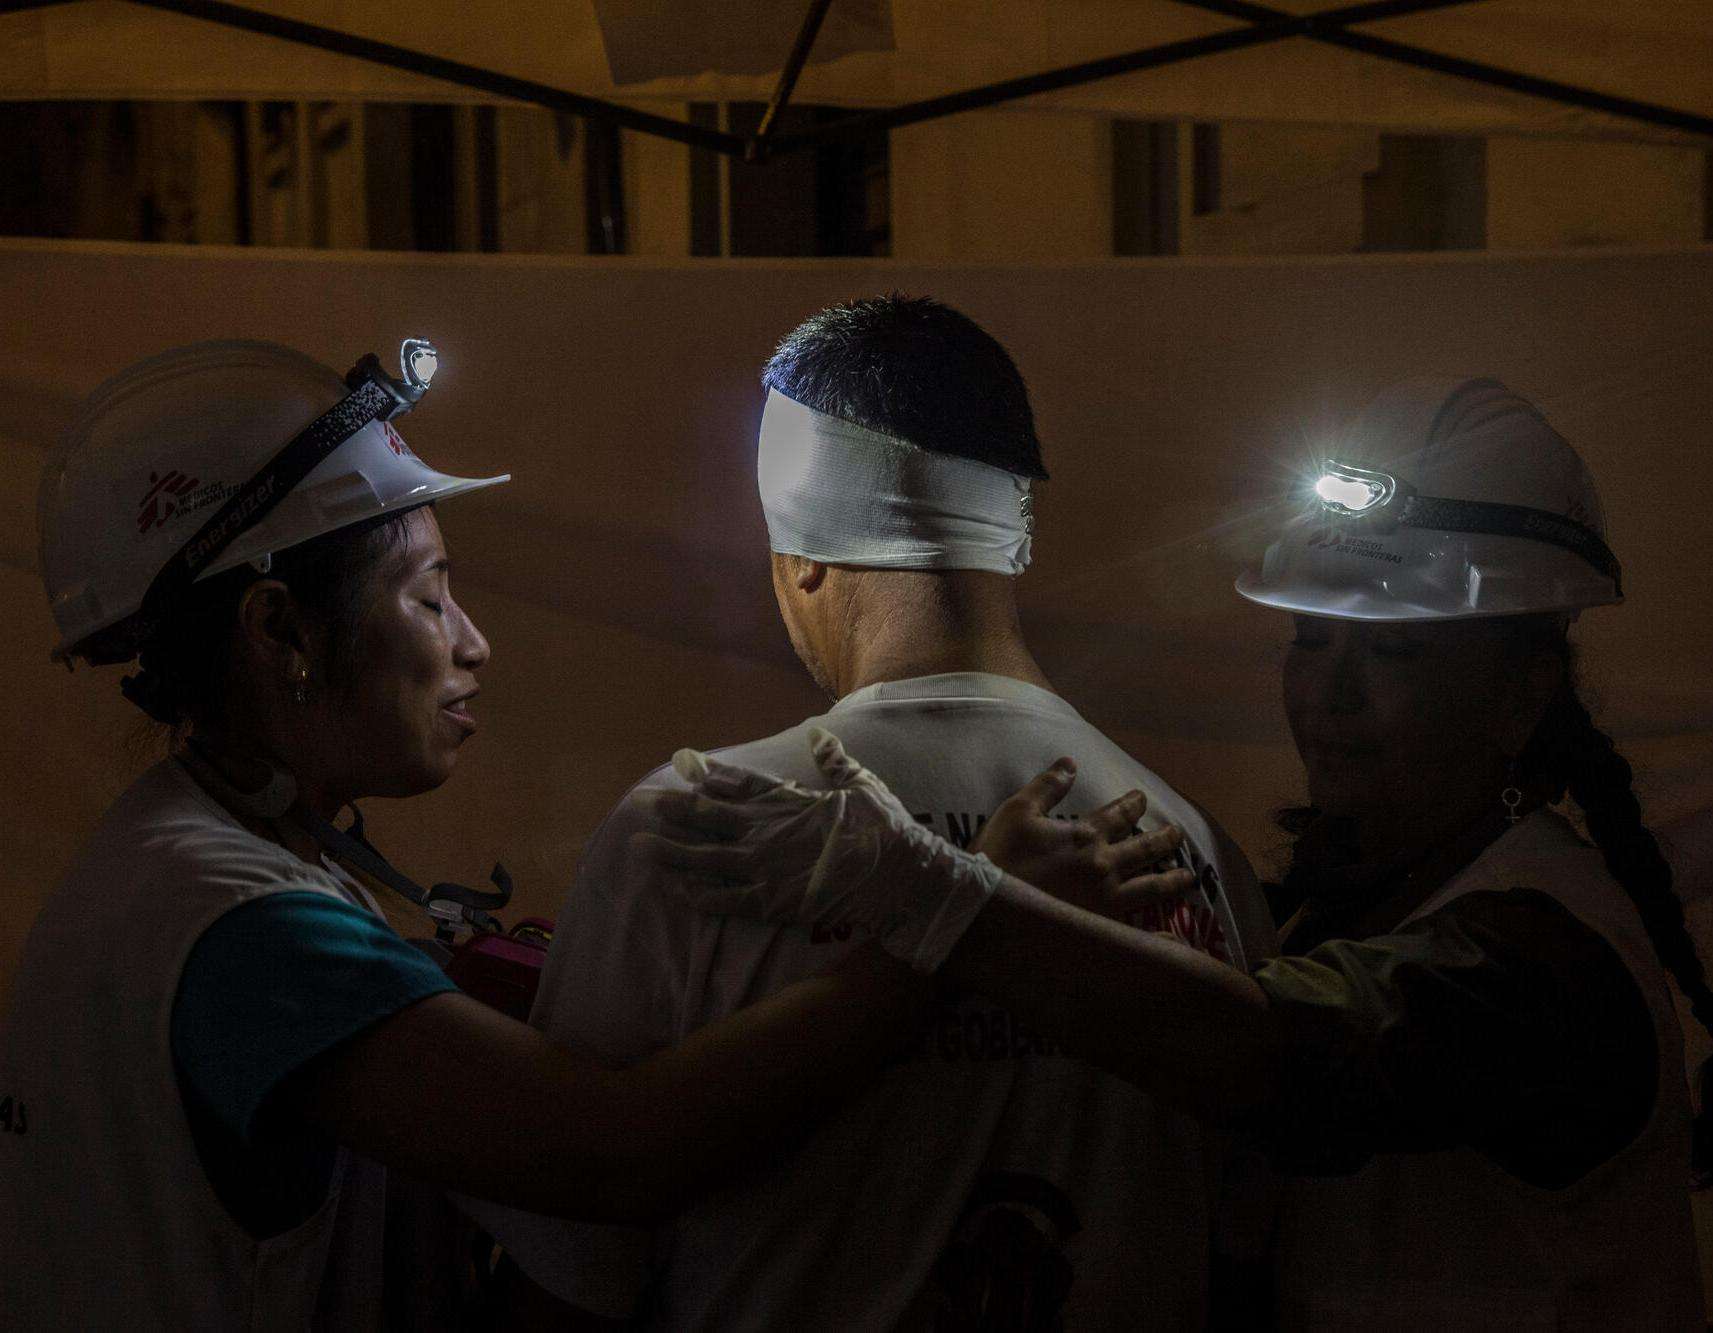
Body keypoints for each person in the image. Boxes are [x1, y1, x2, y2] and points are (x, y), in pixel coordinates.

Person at [0, 338, 1160, 1329]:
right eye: (427, 594)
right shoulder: (239, 925)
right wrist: (956, 919)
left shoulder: (185, 863)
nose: (472, 643)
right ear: (277, 629)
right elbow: (618, 1153)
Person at [653, 377, 1709, 1328]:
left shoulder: (1544, 957)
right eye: (1310, 640)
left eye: (1394, 649)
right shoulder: (1357, 901)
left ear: (1522, 694)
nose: (1331, 695)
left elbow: (1287, 1060)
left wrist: (923, 886)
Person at [481, 295, 1278, 1327]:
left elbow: (574, 1266)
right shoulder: (1196, 846)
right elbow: (1249, 1235)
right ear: (1011, 530)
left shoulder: (702, 824)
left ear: (802, 553)